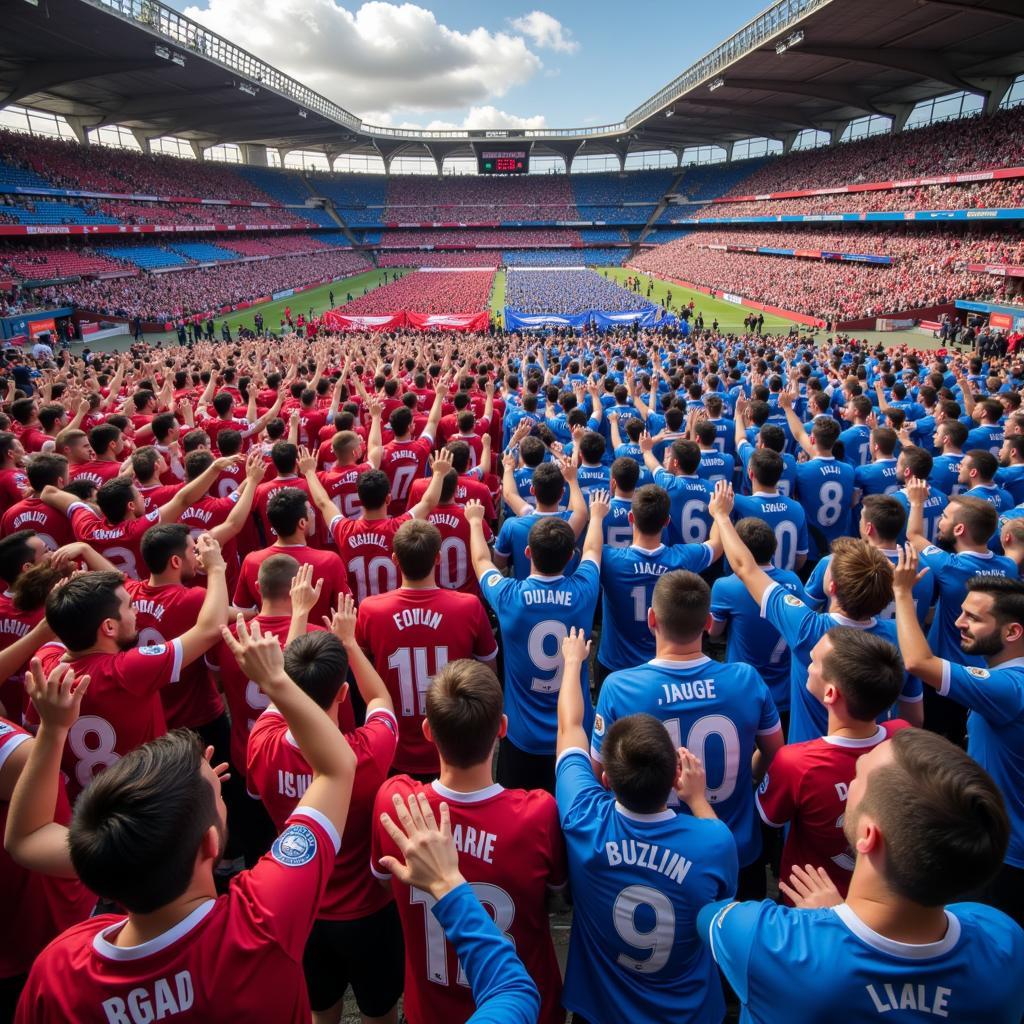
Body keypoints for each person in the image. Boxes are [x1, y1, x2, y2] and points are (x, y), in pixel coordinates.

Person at [6, 612, 358, 1023]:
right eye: (217, 796)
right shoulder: (264, 918)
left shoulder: (58, 971)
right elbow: (337, 768)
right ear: (210, 843)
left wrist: (52, 729)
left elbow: (25, 838)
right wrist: (276, 680)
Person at [700, 726, 1024, 1022]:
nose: (853, 776)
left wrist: (827, 923)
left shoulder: (767, 939)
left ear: (869, 836)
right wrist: (834, 923)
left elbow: (706, 915)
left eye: (858, 775)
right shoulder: (1004, 941)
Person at [554, 627, 737, 1024]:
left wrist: (572, 664)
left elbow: (570, 727)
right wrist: (698, 799)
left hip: (599, 1009)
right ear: (676, 776)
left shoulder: (583, 815)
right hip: (685, 1014)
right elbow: (725, 886)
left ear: (605, 780)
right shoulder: (712, 842)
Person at [370, 659, 566, 1024]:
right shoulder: (536, 814)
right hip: (526, 1008)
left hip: (430, 1010)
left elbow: (382, 884)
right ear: (502, 728)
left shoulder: (394, 803)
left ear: (428, 731)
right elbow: (557, 893)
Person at [247, 599, 404, 1024]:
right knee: (381, 1014)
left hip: (302, 908)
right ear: (342, 693)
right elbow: (382, 699)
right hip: (369, 911)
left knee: (320, 1014)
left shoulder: (261, 742)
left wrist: (298, 616)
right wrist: (350, 641)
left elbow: (282, 695)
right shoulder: (368, 751)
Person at [593, 567, 782, 898]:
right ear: (709, 623)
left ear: (652, 619)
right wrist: (746, 777)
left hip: (654, 858)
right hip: (734, 852)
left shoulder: (620, 688)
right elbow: (774, 754)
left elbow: (598, 775)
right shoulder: (746, 680)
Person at [707, 482, 922, 744]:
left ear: (832, 587)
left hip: (810, 761)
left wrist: (720, 515)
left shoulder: (807, 628)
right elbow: (913, 719)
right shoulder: (901, 639)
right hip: (871, 761)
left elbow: (745, 567)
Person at [894, 550, 1024, 924]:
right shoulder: (1002, 670)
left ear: (1012, 632)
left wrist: (902, 593)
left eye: (973, 618)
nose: (958, 623)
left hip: (1004, 857)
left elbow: (919, 662)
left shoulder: (1008, 688)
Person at [469, 491, 608, 794]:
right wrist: (596, 516)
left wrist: (474, 522)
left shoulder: (508, 596)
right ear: (570, 556)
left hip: (522, 738)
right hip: (573, 735)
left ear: (528, 552)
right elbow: (594, 550)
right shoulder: (584, 591)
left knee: (519, 818)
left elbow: (481, 560)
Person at [755, 627, 907, 901]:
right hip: (881, 896)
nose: (808, 666)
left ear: (830, 693)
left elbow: (769, 819)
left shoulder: (795, 763)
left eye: (813, 662)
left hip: (806, 902)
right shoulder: (902, 736)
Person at [376, 793, 541, 1024]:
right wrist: (446, 883)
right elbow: (514, 991)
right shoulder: (537, 812)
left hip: (426, 1012)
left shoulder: (391, 795)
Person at [356, 520, 497, 779]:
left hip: (392, 744)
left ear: (395, 560)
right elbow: (488, 673)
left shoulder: (371, 610)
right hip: (455, 745)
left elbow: (360, 668)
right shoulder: (468, 607)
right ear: (439, 558)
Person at [597, 484, 721, 682]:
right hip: (663, 666)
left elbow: (589, 550)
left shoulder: (610, 560)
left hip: (616, 666)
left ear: (631, 518)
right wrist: (720, 514)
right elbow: (717, 544)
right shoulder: (683, 558)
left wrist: (595, 518)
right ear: (666, 522)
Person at [304, 447, 452, 602]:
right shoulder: (399, 528)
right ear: (388, 499)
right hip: (391, 608)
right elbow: (428, 503)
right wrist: (439, 473)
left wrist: (309, 472)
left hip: (358, 613)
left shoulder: (344, 530)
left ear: (359, 500)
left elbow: (323, 502)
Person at [709, 517, 807, 725]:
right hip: (785, 691)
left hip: (744, 689)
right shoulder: (793, 581)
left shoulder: (726, 586)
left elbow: (714, 632)